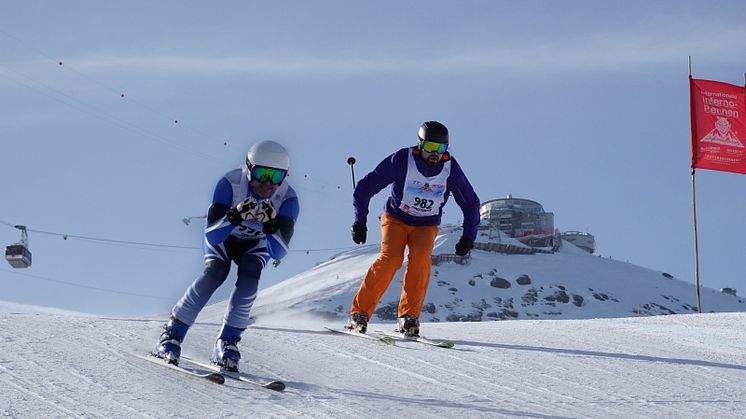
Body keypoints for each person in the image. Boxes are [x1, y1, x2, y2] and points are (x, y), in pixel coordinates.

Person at [152, 140, 299, 371]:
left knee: (251, 274)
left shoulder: (288, 199)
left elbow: (279, 251)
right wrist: (235, 216)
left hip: (256, 243)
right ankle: (172, 334)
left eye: (276, 176)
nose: (268, 184)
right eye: (262, 174)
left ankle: (227, 341)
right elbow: (212, 235)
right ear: (249, 168)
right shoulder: (231, 183)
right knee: (216, 272)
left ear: (285, 176)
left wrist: (271, 226)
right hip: (224, 237)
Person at [347, 121, 479, 337]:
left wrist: (468, 237)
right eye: (430, 147)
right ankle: (359, 313)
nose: (435, 154)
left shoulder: (450, 168)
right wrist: (359, 221)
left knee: (420, 260)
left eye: (440, 149)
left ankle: (408, 317)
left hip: (426, 225)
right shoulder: (402, 159)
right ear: (420, 145)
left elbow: (471, 203)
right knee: (391, 260)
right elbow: (365, 187)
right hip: (396, 219)